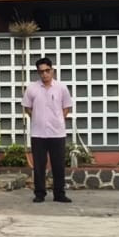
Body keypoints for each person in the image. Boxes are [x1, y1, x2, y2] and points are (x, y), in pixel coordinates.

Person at [23, 57, 73, 204]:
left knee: (58, 165)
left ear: (52, 70)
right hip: (38, 133)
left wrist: (58, 120)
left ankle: (59, 193)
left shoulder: (61, 88)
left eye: (47, 70)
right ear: (38, 73)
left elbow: (66, 107)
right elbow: (27, 107)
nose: (44, 74)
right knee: (39, 165)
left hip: (57, 133)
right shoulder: (32, 88)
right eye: (41, 72)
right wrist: (36, 118)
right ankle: (39, 193)